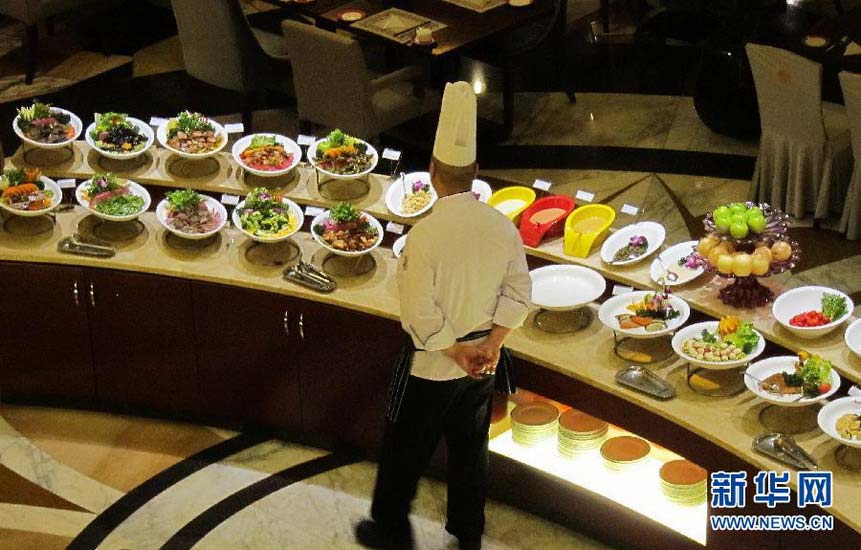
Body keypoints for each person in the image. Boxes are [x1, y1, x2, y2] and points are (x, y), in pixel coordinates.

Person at [355, 81, 532, 550]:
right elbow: (519, 292)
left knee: (402, 452)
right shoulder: (501, 226)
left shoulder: (425, 235)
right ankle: (468, 534)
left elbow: (417, 313)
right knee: (470, 452)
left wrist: (456, 352)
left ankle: (390, 530)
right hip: (482, 367)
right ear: (476, 174)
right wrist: (489, 347)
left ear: (432, 171)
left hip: (433, 366)